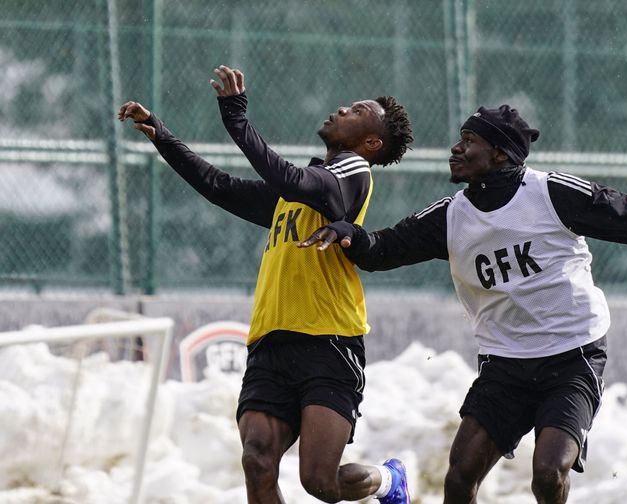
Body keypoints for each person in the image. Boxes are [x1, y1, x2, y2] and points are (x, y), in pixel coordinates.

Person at [299, 104, 627, 503]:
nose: (455, 148)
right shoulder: (451, 215)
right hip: (504, 366)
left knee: (548, 474)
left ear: (498, 154)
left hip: (572, 355)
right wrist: (349, 233)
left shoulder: (551, 193)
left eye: (468, 141)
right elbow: (382, 251)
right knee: (459, 477)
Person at [117, 65, 414, 504]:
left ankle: (390, 482)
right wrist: (161, 135)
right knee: (257, 461)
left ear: (371, 142)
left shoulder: (352, 174)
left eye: (357, 111)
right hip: (270, 343)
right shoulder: (300, 192)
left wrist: (235, 117)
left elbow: (291, 178)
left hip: (327, 341)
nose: (341, 108)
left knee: (320, 482)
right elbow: (219, 186)